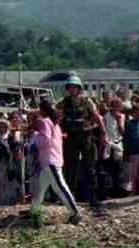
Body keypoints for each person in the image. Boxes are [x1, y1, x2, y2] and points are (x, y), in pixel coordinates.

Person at [57, 75, 108, 216]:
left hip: (86, 136)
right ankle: (69, 199)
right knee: (70, 169)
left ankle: (94, 199)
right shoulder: (63, 102)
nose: (73, 89)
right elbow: (55, 116)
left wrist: (103, 134)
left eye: (75, 87)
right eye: (70, 87)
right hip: (71, 138)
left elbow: (97, 118)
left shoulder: (87, 102)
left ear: (79, 88)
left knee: (90, 168)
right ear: (68, 89)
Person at [27, 101, 82, 228]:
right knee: (40, 189)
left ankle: (76, 212)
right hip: (50, 160)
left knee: (60, 188)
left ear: (43, 110)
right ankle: (34, 211)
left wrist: (35, 141)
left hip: (50, 161)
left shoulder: (45, 122)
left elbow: (45, 140)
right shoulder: (55, 124)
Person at [124, 104, 139, 195]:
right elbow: (126, 139)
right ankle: (133, 191)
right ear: (132, 113)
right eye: (136, 112)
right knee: (133, 174)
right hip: (133, 152)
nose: (138, 114)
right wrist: (126, 153)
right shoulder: (128, 123)